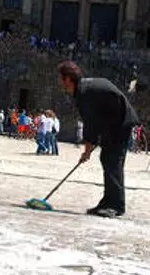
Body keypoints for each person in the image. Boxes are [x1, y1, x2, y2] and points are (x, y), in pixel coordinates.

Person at [57, 60, 139, 218]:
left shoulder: (84, 93)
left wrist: (87, 151)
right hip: (113, 122)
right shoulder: (83, 89)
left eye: (60, 78)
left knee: (112, 160)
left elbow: (90, 125)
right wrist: (90, 146)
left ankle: (115, 205)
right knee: (107, 158)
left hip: (120, 122)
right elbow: (95, 120)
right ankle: (108, 202)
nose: (59, 82)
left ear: (68, 78)